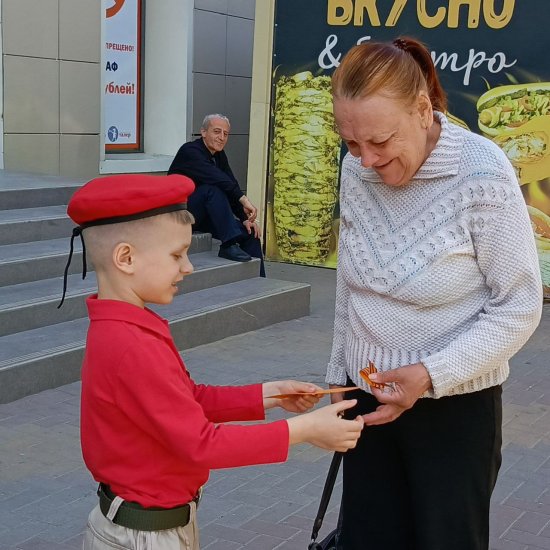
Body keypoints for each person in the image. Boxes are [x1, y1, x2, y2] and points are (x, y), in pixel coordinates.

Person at [64, 173, 364, 550]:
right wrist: (304, 430)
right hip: (145, 536)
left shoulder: (126, 326)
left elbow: (187, 399)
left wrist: (269, 395)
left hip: (152, 527)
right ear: (126, 258)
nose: (188, 267)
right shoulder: (130, 344)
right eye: (176, 255)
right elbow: (201, 444)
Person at [326, 37, 543, 550]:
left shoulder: (482, 171)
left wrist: (429, 374)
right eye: (351, 143)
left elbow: (519, 305)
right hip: (367, 398)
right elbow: (350, 284)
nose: (366, 160)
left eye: (380, 141)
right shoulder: (355, 170)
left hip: (455, 410)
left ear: (423, 111)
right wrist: (338, 373)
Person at [168, 114, 266, 277]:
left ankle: (260, 280)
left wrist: (245, 218)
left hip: (202, 215)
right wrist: (243, 199)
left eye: (225, 134)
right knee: (211, 189)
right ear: (203, 132)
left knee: (250, 233)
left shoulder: (219, 155)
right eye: (217, 131)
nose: (221, 137)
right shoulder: (190, 151)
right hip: (180, 216)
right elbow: (217, 178)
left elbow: (230, 183)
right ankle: (228, 244)